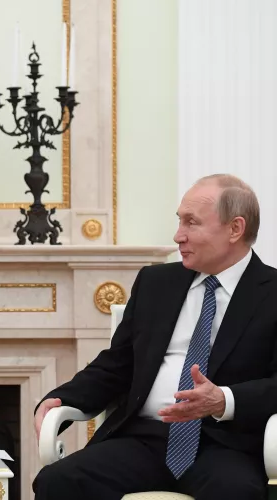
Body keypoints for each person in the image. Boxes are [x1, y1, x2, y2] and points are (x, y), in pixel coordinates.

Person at [33, 174, 275, 500]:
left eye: (192, 222)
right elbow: (117, 364)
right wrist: (62, 400)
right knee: (57, 480)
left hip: (225, 445)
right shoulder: (155, 282)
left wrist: (224, 399)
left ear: (235, 229)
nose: (178, 235)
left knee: (236, 492)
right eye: (179, 220)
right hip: (143, 439)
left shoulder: (271, 294)